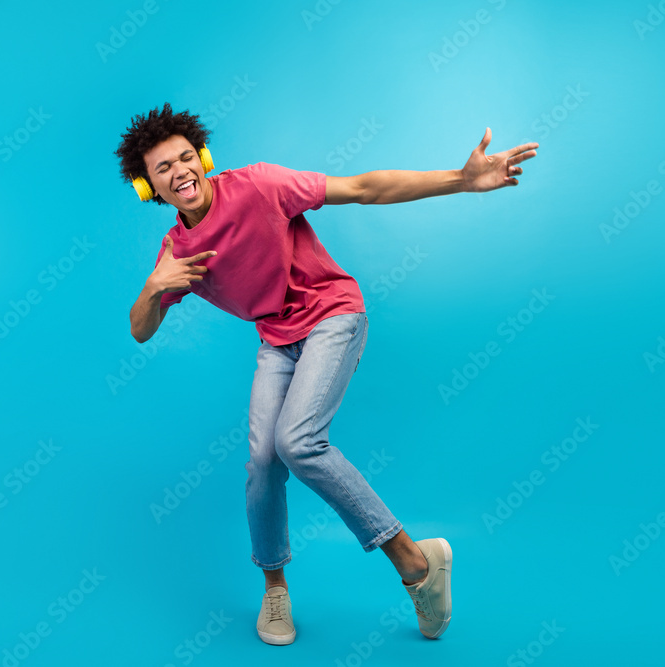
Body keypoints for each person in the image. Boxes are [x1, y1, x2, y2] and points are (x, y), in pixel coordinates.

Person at [118, 103, 537, 645]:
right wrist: (154, 286)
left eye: (184, 158)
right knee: (263, 462)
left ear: (202, 157)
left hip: (333, 315)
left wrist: (461, 180)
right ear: (147, 188)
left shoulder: (260, 186)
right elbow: (140, 331)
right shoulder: (177, 253)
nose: (180, 173)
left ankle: (413, 563)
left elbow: (363, 188)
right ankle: (275, 591)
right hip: (277, 339)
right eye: (163, 169)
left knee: (297, 440)